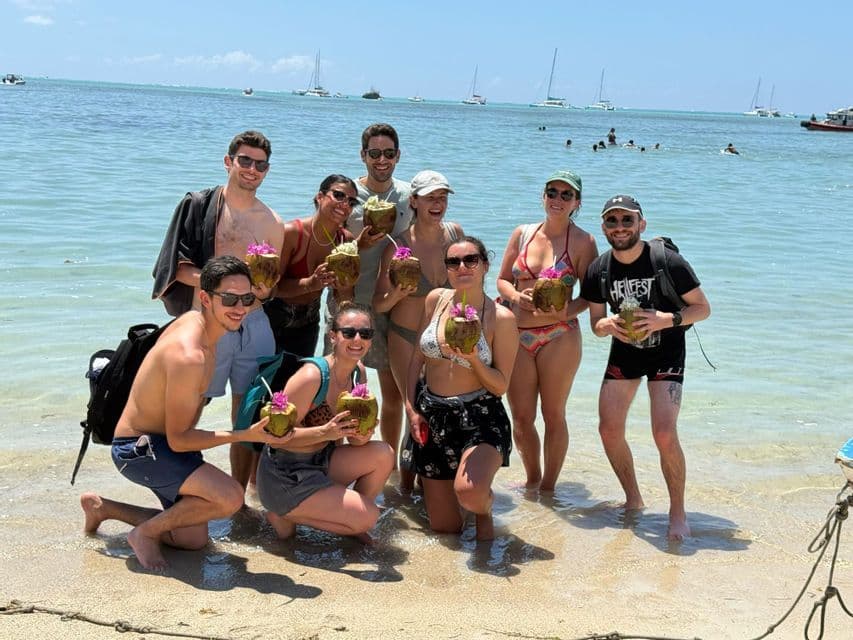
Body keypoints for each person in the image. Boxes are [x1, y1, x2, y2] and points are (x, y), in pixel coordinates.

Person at [81, 256, 292, 570]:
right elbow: (180, 440)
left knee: (190, 541)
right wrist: (244, 435)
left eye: (247, 298)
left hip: (163, 445)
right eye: (229, 299)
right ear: (205, 298)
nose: (240, 307)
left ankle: (103, 508)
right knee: (231, 497)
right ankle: (144, 534)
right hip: (139, 451)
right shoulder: (189, 354)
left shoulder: (202, 325)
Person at [151, 130, 283, 495]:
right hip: (206, 324)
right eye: (244, 160)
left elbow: (270, 285)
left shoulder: (272, 221)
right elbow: (173, 267)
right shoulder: (199, 205)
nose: (251, 169)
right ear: (228, 162)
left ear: (267, 171)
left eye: (260, 164)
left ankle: (236, 495)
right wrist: (222, 288)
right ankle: (178, 489)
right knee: (190, 408)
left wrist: (258, 290)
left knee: (249, 413)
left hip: (254, 324)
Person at [579, 195, 711, 541]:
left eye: (627, 220)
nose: (620, 227)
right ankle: (633, 499)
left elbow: (702, 308)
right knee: (608, 429)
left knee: (664, 432)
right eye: (612, 221)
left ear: (641, 225)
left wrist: (666, 319)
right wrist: (606, 326)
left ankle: (677, 511)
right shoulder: (599, 269)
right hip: (625, 353)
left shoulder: (667, 261)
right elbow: (594, 322)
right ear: (604, 227)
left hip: (666, 352)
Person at [405, 237, 518, 540]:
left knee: (469, 492)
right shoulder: (436, 300)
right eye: (453, 262)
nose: (462, 267)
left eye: (470, 260)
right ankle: (470, 500)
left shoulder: (501, 318)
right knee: (446, 528)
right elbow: (417, 359)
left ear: (484, 265)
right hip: (433, 415)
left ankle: (484, 508)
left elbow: (500, 386)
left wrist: (474, 361)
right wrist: (411, 409)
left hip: (480, 416)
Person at [257, 303, 395, 541]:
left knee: (384, 453)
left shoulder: (357, 373)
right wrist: (325, 433)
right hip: (286, 473)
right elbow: (275, 439)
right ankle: (283, 513)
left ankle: (348, 519)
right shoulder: (312, 377)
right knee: (369, 517)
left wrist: (363, 432)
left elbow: (354, 440)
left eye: (366, 333)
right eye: (349, 333)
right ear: (333, 335)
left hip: (322, 462)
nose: (357, 339)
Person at [496, 170, 598, 491]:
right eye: (552, 192)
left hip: (559, 336)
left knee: (553, 414)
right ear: (543, 196)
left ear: (576, 203)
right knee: (522, 417)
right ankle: (532, 479)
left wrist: (565, 311)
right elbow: (501, 280)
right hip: (518, 335)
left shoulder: (583, 242)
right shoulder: (523, 234)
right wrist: (515, 297)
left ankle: (549, 487)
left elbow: (592, 295)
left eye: (566, 195)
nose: (557, 199)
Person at [327, 123, 412, 472]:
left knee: (392, 394)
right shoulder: (348, 196)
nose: (381, 160)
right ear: (363, 156)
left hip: (391, 305)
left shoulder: (408, 195)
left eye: (388, 154)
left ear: (397, 156)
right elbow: (326, 239)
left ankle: (386, 469)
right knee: (336, 389)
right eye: (374, 153)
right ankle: (332, 463)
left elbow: (427, 235)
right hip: (346, 304)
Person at [372, 170, 463, 488]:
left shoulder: (455, 235)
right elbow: (379, 304)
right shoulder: (398, 246)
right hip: (405, 338)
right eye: (430, 198)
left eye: (442, 197)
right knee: (415, 407)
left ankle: (431, 481)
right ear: (414, 201)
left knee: (441, 409)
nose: (437, 204)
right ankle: (402, 484)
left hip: (443, 339)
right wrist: (399, 292)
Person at [265, 174, 359, 357]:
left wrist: (345, 287)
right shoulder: (293, 233)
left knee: (299, 383)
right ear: (320, 196)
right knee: (265, 382)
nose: (345, 204)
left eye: (352, 202)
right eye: (339, 195)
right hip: (273, 319)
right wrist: (310, 283)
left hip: (308, 323)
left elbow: (345, 296)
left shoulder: (345, 240)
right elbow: (272, 288)